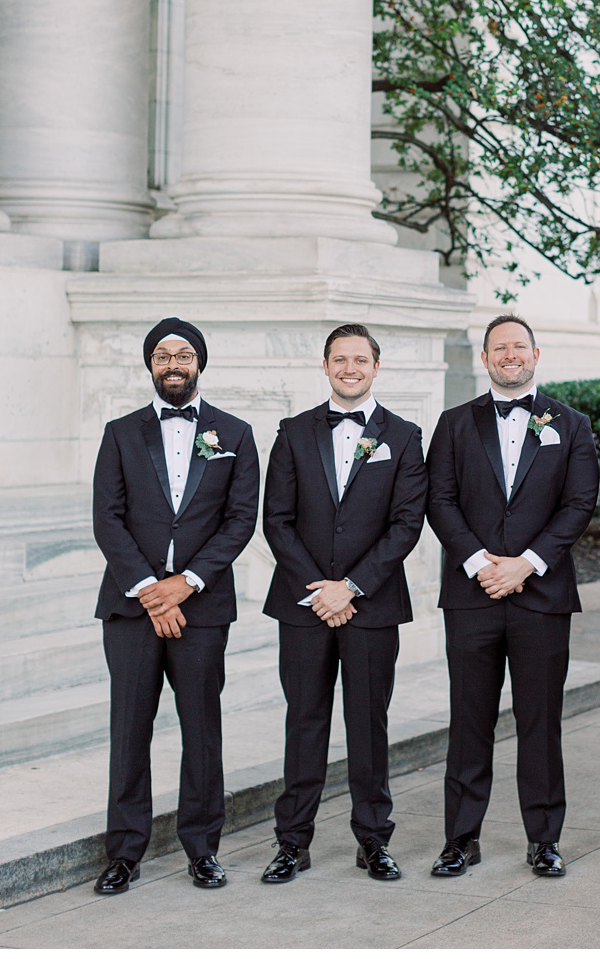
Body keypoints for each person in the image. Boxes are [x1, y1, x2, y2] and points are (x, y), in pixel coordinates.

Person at [88, 317, 261, 894]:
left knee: (201, 729)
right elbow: (107, 518)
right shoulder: (120, 432)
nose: (173, 363)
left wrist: (186, 582)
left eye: (183, 353)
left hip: (202, 607)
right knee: (129, 731)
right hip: (132, 606)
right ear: (150, 365)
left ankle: (202, 849)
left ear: (199, 363)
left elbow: (241, 521)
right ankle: (124, 853)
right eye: (162, 355)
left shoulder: (234, 434)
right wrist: (149, 589)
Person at [423, 314, 598, 879]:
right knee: (468, 720)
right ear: (486, 357)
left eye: (518, 346)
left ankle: (544, 839)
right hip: (472, 596)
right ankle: (460, 839)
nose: (509, 355)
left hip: (540, 596)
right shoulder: (453, 424)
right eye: (499, 348)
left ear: (535, 353)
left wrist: (526, 564)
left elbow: (578, 505)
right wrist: (480, 564)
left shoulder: (570, 425)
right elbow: (440, 500)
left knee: (540, 722)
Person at [258, 324, 428, 884]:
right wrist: (319, 589)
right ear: (325, 366)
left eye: (360, 360)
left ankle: (373, 841)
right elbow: (277, 520)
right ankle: (292, 843)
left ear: (376, 367)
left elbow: (406, 524)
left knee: (368, 724)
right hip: (303, 605)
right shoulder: (293, 432)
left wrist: (351, 587)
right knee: (304, 721)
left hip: (372, 606)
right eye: (339, 359)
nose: (350, 368)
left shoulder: (403, 437)